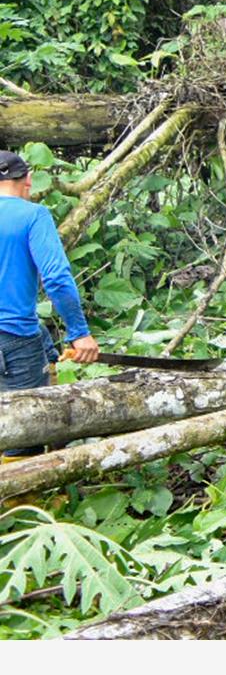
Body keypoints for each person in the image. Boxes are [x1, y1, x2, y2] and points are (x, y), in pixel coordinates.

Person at [0, 149, 96, 461]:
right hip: (12, 338)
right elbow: (56, 278)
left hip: (20, 334)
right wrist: (79, 332)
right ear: (27, 179)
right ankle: (21, 490)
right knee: (23, 433)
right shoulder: (33, 215)